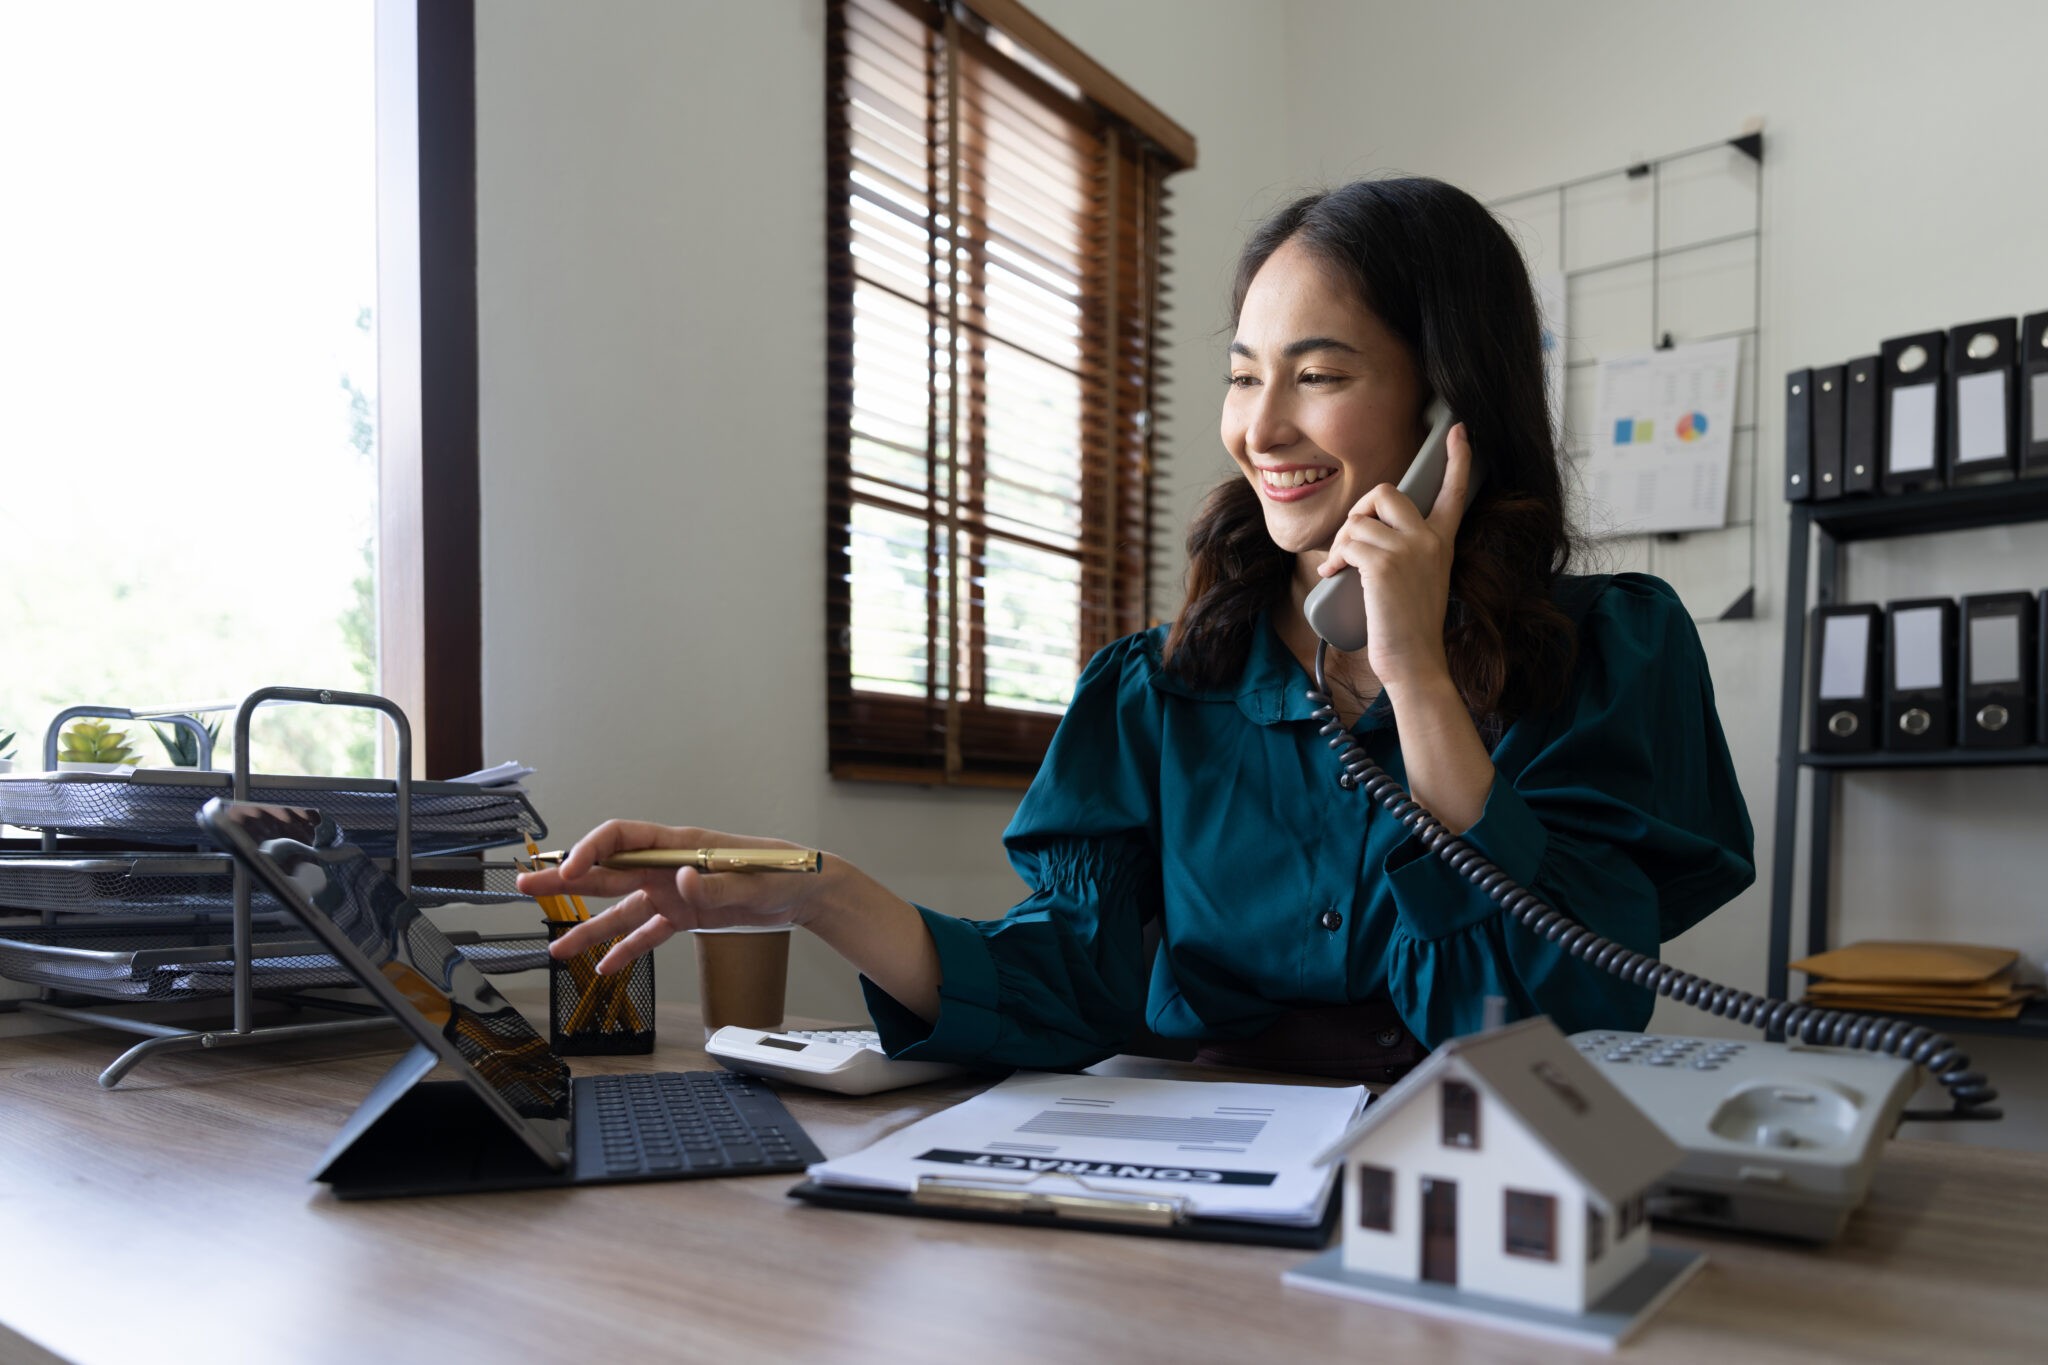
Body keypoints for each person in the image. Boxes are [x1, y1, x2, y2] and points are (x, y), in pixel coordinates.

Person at [522, 177, 1755, 1083]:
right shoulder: (1153, 692)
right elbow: (1074, 983)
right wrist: (819, 895)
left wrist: (1416, 675)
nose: (1259, 427)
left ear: (1450, 408)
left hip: (1475, 1193)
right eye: (1240, 374)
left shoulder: (1610, 652)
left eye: (1318, 376)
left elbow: (1553, 1018)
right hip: (1188, 1175)